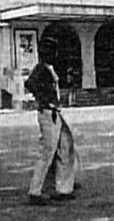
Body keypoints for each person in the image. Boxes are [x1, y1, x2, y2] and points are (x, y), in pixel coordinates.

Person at [25, 37, 77, 205]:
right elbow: (30, 83)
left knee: (65, 147)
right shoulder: (41, 68)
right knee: (47, 152)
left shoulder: (49, 68)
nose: (53, 54)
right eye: (51, 51)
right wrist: (44, 99)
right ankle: (35, 191)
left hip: (54, 112)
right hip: (48, 113)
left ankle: (62, 187)